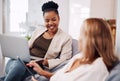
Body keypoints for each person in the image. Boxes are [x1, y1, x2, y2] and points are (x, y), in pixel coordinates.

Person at [27, 18, 119, 81]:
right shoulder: (79, 57)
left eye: (82, 34)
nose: (79, 38)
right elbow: (61, 77)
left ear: (92, 40)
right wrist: (42, 72)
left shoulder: (97, 67)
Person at [0, 1, 72, 81]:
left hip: (35, 66)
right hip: (20, 60)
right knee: (19, 65)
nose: (50, 23)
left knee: (18, 69)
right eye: (47, 21)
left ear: (59, 18)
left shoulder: (66, 38)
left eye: (53, 19)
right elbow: (27, 46)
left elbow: (65, 60)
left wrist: (45, 62)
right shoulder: (38, 31)